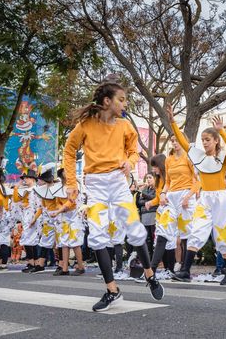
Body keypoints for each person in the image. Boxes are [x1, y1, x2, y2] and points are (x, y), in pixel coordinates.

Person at [63, 82, 163, 311]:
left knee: (135, 230)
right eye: (121, 99)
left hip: (118, 184)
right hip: (96, 186)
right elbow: (69, 152)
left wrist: (129, 162)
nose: (125, 104)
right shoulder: (85, 125)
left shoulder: (125, 126)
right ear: (107, 101)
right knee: (97, 237)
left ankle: (150, 275)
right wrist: (71, 183)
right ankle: (112, 290)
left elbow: (134, 152)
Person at [167, 103, 226, 285]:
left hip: (220, 198)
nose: (204, 142)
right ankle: (185, 271)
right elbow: (184, 142)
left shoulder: (223, 157)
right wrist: (173, 122)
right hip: (205, 198)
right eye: (203, 139)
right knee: (197, 231)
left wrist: (221, 131)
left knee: (222, 235)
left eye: (207, 139)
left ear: (215, 141)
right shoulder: (199, 156)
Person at [150, 139, 199, 275]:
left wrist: (188, 197)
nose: (174, 143)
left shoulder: (189, 157)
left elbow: (198, 181)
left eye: (177, 140)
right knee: (162, 231)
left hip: (186, 196)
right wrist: (164, 194)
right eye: (172, 141)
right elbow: (168, 182)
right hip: (171, 197)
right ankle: (151, 270)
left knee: (186, 235)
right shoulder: (169, 160)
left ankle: (185, 270)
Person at [50, 168, 85, 276]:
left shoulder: (74, 185)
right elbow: (57, 202)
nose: (67, 173)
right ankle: (64, 268)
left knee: (75, 241)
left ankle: (81, 266)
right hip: (64, 216)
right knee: (64, 241)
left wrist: (59, 210)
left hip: (74, 215)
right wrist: (60, 209)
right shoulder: (59, 188)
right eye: (65, 172)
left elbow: (71, 202)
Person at [14, 169, 40, 273]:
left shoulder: (36, 190)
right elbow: (16, 200)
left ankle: (35, 263)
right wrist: (16, 187)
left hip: (32, 217)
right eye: (24, 178)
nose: (25, 180)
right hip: (26, 216)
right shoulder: (26, 191)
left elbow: (39, 206)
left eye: (27, 178)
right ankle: (31, 263)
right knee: (27, 240)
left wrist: (35, 218)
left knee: (31, 241)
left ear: (33, 179)